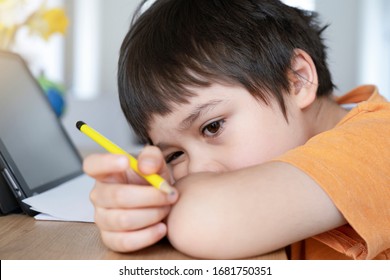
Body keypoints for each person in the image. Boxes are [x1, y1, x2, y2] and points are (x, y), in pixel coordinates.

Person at [83, 0, 390, 259]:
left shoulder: (378, 142)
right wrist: (139, 203)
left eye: (212, 127)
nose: (199, 170)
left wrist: (163, 207)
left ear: (297, 80)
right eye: (175, 155)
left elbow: (204, 220)